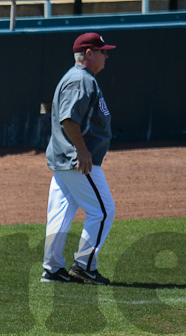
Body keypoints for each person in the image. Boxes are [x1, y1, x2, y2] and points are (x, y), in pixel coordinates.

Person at [42, 32, 116, 286]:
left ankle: (52, 269)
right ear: (89, 54)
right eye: (102, 51)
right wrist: (83, 151)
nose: (106, 56)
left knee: (60, 214)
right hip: (78, 161)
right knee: (104, 211)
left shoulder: (79, 78)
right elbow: (68, 119)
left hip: (64, 159)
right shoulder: (81, 80)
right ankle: (84, 264)